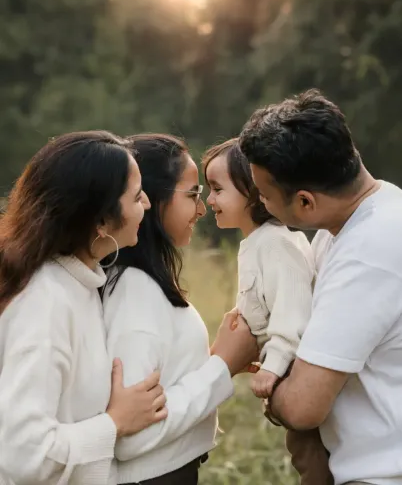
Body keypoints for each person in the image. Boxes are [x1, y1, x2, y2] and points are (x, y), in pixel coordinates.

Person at [239, 88, 402, 485]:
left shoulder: (372, 249)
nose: (262, 205)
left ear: (305, 202)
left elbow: (304, 406)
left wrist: (271, 380)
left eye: (266, 195)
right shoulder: (349, 225)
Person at [0, 131, 168, 485]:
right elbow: (24, 453)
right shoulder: (45, 304)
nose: (149, 205)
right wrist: (115, 423)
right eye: (137, 197)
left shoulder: (80, 283)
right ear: (102, 222)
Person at [103, 133, 258, 485]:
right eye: (192, 195)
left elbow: (164, 382)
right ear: (153, 200)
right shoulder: (134, 293)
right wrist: (223, 366)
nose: (202, 209)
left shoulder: (142, 283)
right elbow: (133, 437)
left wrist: (218, 358)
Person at [202, 138, 333, 485]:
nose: (209, 199)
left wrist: (272, 366)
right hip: (287, 378)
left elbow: (293, 315)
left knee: (315, 462)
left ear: (253, 190)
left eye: (217, 189)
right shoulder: (257, 244)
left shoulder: (277, 245)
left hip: (299, 376)